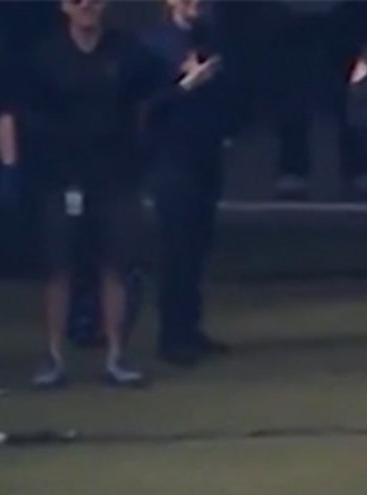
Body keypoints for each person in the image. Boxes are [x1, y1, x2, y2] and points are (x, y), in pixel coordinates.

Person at [0, 0, 157, 389]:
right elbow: (23, 111)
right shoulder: (45, 55)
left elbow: (156, 89)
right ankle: (54, 358)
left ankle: (116, 356)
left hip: (116, 176)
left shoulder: (126, 49)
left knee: (115, 267)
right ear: (64, 6)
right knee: (59, 269)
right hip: (60, 178)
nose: (87, 6)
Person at [142, 0, 228, 366]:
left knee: (197, 246)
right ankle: (172, 335)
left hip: (205, 155)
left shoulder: (209, 38)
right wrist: (185, 86)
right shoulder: (152, 45)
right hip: (171, 159)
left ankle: (190, 327)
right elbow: (145, 106)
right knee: (174, 248)